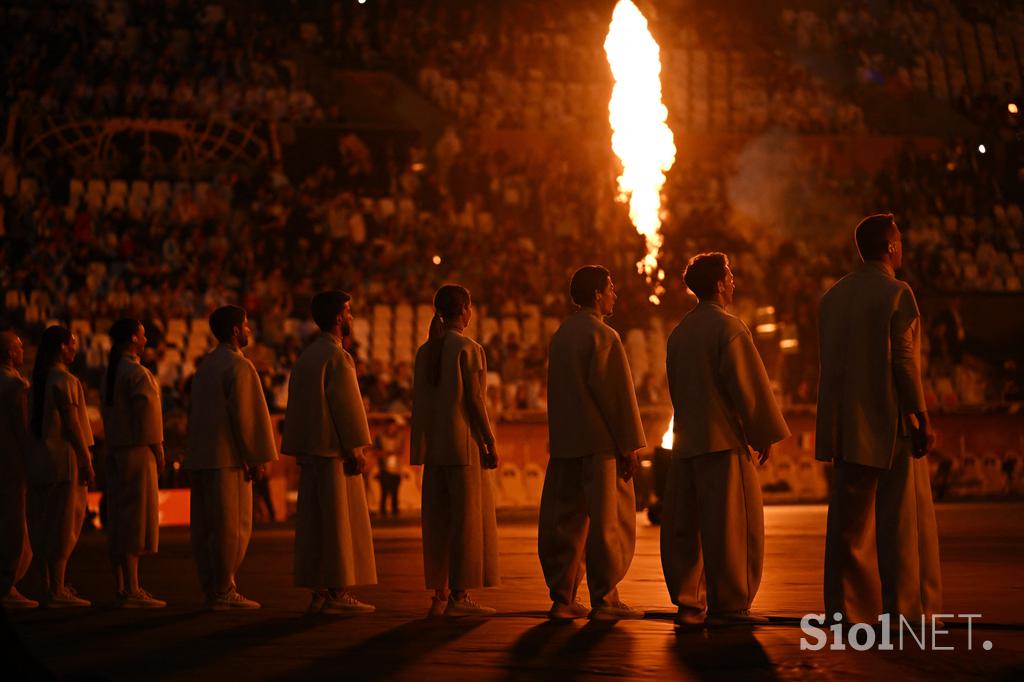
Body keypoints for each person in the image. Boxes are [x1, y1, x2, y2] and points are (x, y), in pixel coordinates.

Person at [816, 213, 942, 625]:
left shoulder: (833, 297)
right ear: (890, 248)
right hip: (890, 424)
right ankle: (905, 613)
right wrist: (920, 415)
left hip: (846, 425)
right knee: (901, 525)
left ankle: (845, 612)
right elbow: (903, 362)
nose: (902, 246)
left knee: (847, 529)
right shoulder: (896, 293)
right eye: (899, 240)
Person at [661, 253, 791, 627]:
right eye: (730, 276)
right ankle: (731, 604)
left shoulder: (679, 332)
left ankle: (689, 602)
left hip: (687, 443)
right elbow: (747, 387)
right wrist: (761, 432)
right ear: (719, 285)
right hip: (723, 441)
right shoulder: (729, 328)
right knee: (733, 530)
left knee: (686, 529)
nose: (733, 282)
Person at [539, 265, 647, 621]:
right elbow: (617, 397)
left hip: (566, 443)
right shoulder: (604, 336)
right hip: (600, 445)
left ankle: (563, 597)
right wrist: (629, 445)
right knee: (606, 524)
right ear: (597, 295)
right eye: (611, 288)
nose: (615, 293)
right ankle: (606, 597)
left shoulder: (562, 335)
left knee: (565, 523)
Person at [282, 291, 377, 616]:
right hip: (335, 453)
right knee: (339, 524)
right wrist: (356, 448)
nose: (351, 317)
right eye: (348, 312)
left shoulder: (307, 357)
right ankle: (339, 591)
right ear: (338, 318)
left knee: (315, 525)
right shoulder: (338, 357)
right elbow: (347, 407)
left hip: (311, 453)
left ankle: (319, 591)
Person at [410, 284, 500, 617]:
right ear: (464, 310)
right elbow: (474, 400)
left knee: (439, 522)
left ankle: (440, 593)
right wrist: (489, 440)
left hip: (435, 448)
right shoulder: (468, 348)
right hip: (463, 445)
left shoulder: (426, 351)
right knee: (466, 521)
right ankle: (461, 597)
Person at [186, 305, 278, 610]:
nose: (250, 330)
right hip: (228, 458)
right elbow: (247, 417)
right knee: (232, 526)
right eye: (247, 325)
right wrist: (256, 456)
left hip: (202, 457)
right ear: (236, 331)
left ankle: (211, 587)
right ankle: (225, 588)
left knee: (206, 527)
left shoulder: (205, 366)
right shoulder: (239, 367)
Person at [26, 325, 95, 607]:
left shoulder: (38, 380)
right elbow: (72, 424)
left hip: (41, 460)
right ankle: (57, 589)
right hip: (64, 461)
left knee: (44, 523)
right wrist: (86, 459)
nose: (76, 348)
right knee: (64, 525)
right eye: (73, 343)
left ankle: (48, 585)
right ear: (62, 347)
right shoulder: (65, 380)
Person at [101, 319, 166, 608]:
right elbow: (149, 419)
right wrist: (159, 450)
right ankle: (133, 588)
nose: (145, 338)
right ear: (133, 339)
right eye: (141, 334)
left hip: (115, 450)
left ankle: (121, 586)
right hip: (137, 451)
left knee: (118, 517)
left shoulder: (111, 373)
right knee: (134, 520)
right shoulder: (137, 373)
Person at [0, 330, 37, 608]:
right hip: (13, 464)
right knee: (14, 523)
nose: (23, 351)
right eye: (19, 347)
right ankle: (7, 584)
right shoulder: (15, 386)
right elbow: (24, 429)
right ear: (11, 353)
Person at [373, 415, 405, 517]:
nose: (392, 428)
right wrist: (385, 453)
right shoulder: (380, 437)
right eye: (390, 426)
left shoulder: (400, 437)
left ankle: (395, 512)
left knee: (395, 491)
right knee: (384, 491)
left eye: (394, 426)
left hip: (396, 468)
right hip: (384, 468)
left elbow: (401, 451)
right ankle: (383, 512)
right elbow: (376, 451)